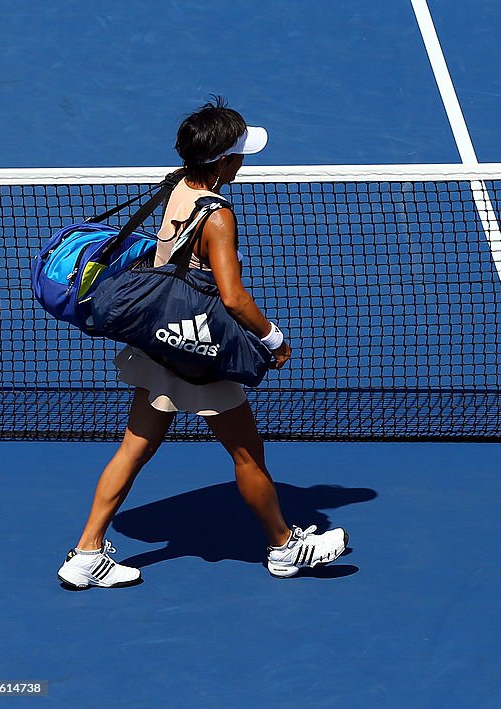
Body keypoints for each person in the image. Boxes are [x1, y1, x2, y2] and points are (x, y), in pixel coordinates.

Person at [57, 98, 348, 589]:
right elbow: (233, 298)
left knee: (134, 447)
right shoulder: (218, 215)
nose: (243, 163)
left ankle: (86, 552)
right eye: (239, 155)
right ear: (223, 162)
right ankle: (284, 548)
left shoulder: (179, 182)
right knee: (248, 453)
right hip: (196, 352)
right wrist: (273, 339)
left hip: (160, 340)